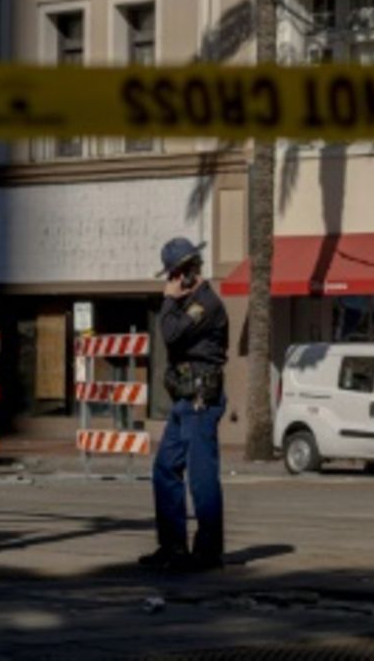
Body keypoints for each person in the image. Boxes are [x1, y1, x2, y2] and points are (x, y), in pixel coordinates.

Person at [139, 238, 229, 574]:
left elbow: (171, 335)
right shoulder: (186, 302)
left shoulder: (203, 304)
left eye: (177, 274)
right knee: (165, 469)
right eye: (171, 275)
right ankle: (173, 545)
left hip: (201, 400)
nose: (173, 281)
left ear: (190, 271)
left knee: (202, 476)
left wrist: (167, 301)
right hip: (183, 399)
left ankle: (207, 552)